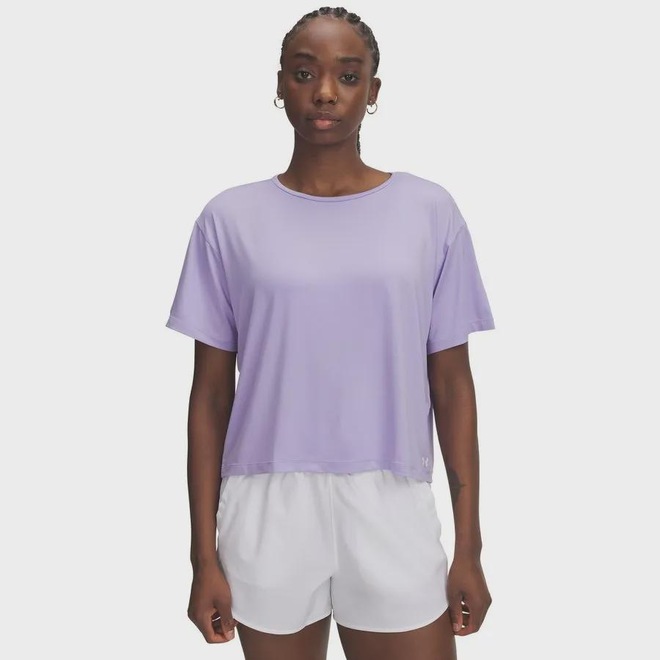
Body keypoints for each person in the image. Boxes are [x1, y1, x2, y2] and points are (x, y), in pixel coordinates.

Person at [165, 6, 495, 659]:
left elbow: (453, 387)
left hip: (392, 498)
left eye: (347, 75)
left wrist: (470, 547)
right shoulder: (228, 220)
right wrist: (202, 556)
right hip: (267, 502)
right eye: (304, 73)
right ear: (280, 85)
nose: (324, 92)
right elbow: (210, 397)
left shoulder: (429, 212)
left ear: (373, 90)